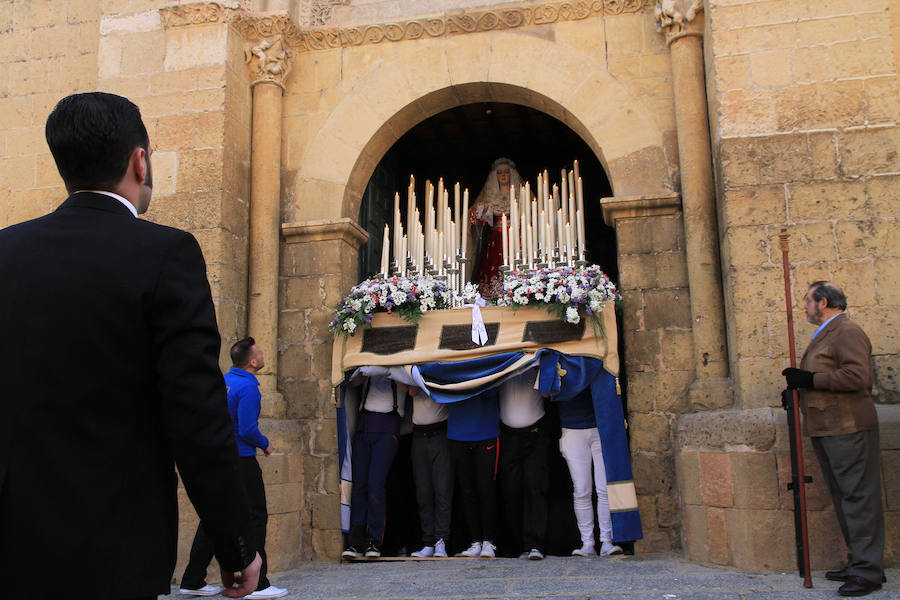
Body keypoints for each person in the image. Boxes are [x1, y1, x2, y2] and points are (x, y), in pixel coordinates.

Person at [0, 92, 260, 599]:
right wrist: (236, 544)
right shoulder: (166, 254)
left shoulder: (5, 252)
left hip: (13, 545)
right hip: (116, 544)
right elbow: (196, 415)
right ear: (139, 160)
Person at [782, 281, 884, 597]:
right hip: (828, 428)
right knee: (844, 498)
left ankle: (868, 571)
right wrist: (798, 390)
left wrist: (812, 379)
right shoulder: (827, 332)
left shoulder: (846, 332)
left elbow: (858, 376)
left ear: (823, 302)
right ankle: (858, 562)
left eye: (808, 301)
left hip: (848, 428)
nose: (805, 307)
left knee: (858, 498)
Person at [180, 338, 288, 599]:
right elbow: (248, 428)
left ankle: (193, 579)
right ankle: (259, 583)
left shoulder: (224, 381)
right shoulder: (249, 387)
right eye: (260, 353)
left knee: (212, 517)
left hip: (220, 456)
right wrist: (266, 444)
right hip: (242, 459)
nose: (263, 355)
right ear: (252, 361)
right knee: (255, 517)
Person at [342, 369, 412, 559]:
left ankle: (374, 540)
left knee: (375, 485)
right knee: (360, 485)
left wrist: (389, 369)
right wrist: (367, 370)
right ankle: (355, 540)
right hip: (365, 424)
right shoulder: (368, 361)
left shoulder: (400, 363)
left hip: (388, 426)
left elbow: (410, 387)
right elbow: (353, 382)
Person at [557, 388, 623, 558]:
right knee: (581, 489)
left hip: (601, 424)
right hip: (572, 427)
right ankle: (587, 543)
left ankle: (607, 541)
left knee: (604, 488)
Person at [498, 370, 551, 560]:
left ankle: (535, 544)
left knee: (535, 488)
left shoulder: (535, 357)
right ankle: (515, 545)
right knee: (511, 491)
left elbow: (548, 390)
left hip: (535, 432)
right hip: (507, 434)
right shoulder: (502, 356)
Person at [447, 390, 501, 558]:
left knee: (486, 489)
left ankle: (489, 541)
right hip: (457, 431)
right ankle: (475, 541)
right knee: (467, 491)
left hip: (486, 431)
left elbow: (493, 388)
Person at [469, 157, 524, 297]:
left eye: (506, 172)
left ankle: (519, 289)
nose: (504, 175)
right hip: (496, 236)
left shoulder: (521, 194)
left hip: (516, 237)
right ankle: (495, 293)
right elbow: (474, 215)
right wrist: (483, 210)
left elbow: (532, 212)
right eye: (500, 172)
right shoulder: (490, 196)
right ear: (496, 176)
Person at [409, 394, 453, 558]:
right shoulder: (413, 369)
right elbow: (411, 391)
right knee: (423, 492)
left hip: (440, 431)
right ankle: (428, 542)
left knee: (442, 489)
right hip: (419, 434)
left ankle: (441, 541)